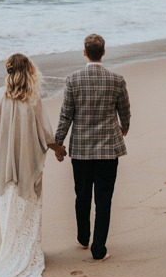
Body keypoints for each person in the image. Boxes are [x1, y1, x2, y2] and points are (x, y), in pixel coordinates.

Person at [0, 53, 63, 277]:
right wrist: (58, 149)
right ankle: (29, 251)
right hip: (28, 163)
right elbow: (45, 133)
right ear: (28, 70)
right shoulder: (32, 98)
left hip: (4, 164)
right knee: (29, 205)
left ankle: (12, 248)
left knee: (8, 207)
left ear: (8, 71)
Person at [53, 33, 130, 261]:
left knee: (82, 195)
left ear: (84, 52)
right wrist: (124, 126)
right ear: (103, 52)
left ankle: (83, 237)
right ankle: (99, 248)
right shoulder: (117, 80)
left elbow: (66, 114)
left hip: (81, 150)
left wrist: (59, 142)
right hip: (108, 150)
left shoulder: (73, 80)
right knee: (104, 199)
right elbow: (124, 110)